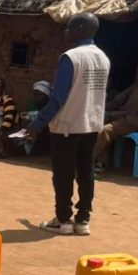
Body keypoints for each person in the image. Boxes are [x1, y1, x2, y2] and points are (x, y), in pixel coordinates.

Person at [27, 12, 111, 236]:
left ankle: (63, 220)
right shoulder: (103, 58)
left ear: (80, 30)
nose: (66, 32)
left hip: (67, 125)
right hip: (91, 124)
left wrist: (37, 123)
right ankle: (83, 220)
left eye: (70, 27)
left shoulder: (71, 57)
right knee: (86, 171)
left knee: (63, 173)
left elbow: (58, 98)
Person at [5, 80, 51, 155]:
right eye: (35, 95)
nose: (37, 97)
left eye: (40, 95)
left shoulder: (51, 110)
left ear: (47, 96)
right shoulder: (34, 107)